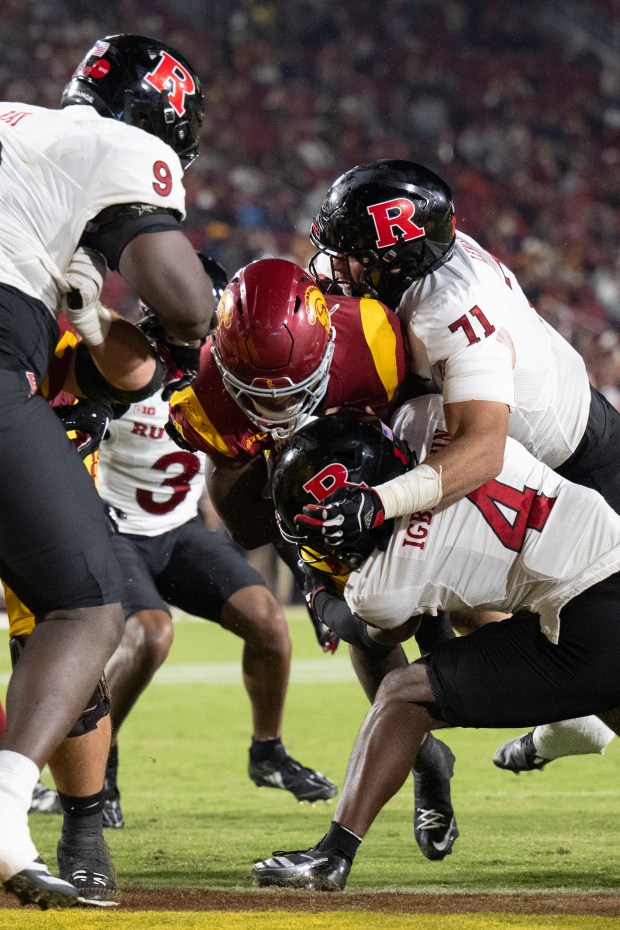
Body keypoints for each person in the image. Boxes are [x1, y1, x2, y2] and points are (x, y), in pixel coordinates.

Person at [302, 158, 620, 773]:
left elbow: (481, 450)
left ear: (397, 259)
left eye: (353, 253)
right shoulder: (426, 260)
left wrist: (380, 501)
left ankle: (575, 715)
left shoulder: (447, 306)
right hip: (531, 446)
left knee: (601, 643)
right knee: (476, 601)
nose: (336, 266)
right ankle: (572, 717)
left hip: (573, 459)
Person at [0, 32, 214, 909]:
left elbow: (117, 371)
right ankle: (8, 810)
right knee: (87, 600)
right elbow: (188, 306)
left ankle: (60, 824)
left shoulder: (24, 141)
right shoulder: (121, 147)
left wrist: (88, 320)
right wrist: (189, 320)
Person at [251, 397, 620, 890]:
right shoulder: (431, 421)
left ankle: (332, 855)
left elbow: (373, 632)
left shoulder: (389, 578)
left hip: (585, 618)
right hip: (604, 554)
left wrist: (316, 593)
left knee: (403, 694)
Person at [168, 257, 460, 861]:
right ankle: (426, 759)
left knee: (455, 609)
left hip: (394, 469)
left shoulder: (376, 338)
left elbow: (439, 424)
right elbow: (250, 517)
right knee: (364, 627)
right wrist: (310, 568)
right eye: (258, 395)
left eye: (294, 390)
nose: (278, 406)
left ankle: (505, 708)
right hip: (307, 498)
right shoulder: (211, 395)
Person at [94, 384, 338, 825]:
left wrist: (311, 579)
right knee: (151, 634)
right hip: (115, 531)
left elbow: (273, 493)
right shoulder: (121, 375)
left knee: (268, 623)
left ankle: (268, 752)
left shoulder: (218, 384)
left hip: (179, 531)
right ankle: (98, 767)